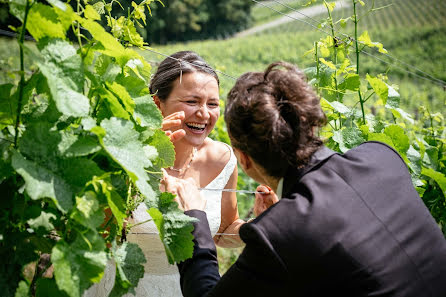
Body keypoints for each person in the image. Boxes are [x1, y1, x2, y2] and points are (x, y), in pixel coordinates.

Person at [162, 62, 446, 297]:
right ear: (309, 120)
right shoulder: (381, 157)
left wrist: (193, 218)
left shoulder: (280, 233)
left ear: (244, 159)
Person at [84, 51, 244, 297]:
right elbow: (97, 235)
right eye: (192, 102)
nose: (204, 113)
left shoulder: (223, 160)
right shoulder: (128, 153)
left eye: (212, 104)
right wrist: (143, 156)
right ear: (157, 103)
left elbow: (224, 229)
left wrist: (259, 228)